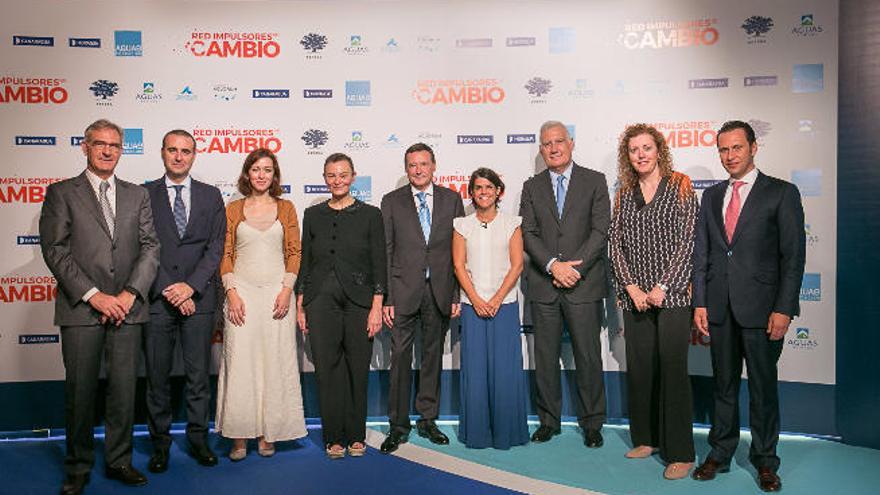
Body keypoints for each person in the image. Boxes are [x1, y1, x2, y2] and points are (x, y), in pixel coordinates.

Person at [39, 119, 160, 495]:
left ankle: (119, 460)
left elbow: (151, 247)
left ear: (121, 150)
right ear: (85, 147)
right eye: (100, 144)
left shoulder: (137, 194)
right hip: (82, 310)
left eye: (115, 145)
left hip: (128, 308)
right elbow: (55, 251)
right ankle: (77, 467)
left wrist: (128, 294)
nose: (108, 151)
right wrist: (95, 295)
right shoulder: (61, 193)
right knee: (80, 392)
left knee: (123, 392)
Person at [691, 120, 805, 492]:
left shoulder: (781, 193)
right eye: (723, 150)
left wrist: (784, 308)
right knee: (722, 387)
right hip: (720, 309)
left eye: (736, 148)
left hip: (763, 311)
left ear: (753, 147)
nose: (729, 156)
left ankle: (766, 461)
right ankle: (720, 452)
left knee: (762, 389)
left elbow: (793, 257)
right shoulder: (710, 197)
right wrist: (701, 303)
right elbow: (704, 253)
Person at [608, 124, 698, 479]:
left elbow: (688, 239)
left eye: (647, 147)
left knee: (673, 370)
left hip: (672, 297)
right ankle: (646, 438)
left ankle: (681, 451)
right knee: (642, 369)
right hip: (635, 299)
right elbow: (615, 243)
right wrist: (631, 287)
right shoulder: (624, 193)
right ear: (627, 156)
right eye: (634, 150)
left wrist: (662, 286)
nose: (641, 154)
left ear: (659, 150)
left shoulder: (680, 185)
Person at [519, 120, 610, 448]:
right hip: (544, 285)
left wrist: (575, 269)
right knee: (544, 357)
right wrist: (553, 266)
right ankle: (548, 420)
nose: (553, 148)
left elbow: (601, 231)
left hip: (583, 286)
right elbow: (528, 232)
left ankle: (592, 423)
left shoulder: (595, 181)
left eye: (559, 141)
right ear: (541, 149)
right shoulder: (531, 187)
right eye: (546, 144)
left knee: (588, 356)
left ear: (571, 143)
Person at [216, 148, 307, 461]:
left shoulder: (287, 208)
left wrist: (286, 290)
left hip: (277, 294)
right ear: (247, 173)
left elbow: (295, 252)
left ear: (274, 175)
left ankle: (268, 433)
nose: (261, 175)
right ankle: (239, 436)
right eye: (256, 169)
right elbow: (225, 254)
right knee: (240, 363)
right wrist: (231, 292)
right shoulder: (233, 208)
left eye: (267, 169)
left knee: (274, 363)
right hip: (240, 294)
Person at [143, 130, 226, 472]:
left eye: (186, 151)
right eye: (173, 150)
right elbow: (141, 244)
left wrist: (190, 287)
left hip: (200, 299)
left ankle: (197, 440)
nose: (179, 157)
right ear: (163, 153)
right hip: (158, 301)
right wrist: (169, 288)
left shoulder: (210, 195)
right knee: (157, 377)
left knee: (197, 377)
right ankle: (159, 445)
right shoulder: (143, 194)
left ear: (195, 155)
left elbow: (216, 246)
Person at [295, 153, 386, 459]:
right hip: (320, 300)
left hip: (360, 301)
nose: (337, 180)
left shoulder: (371, 215)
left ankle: (356, 435)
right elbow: (305, 261)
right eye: (331, 175)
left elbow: (379, 264)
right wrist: (301, 304)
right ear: (325, 178)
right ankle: (334, 437)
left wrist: (377, 305)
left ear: (353, 176)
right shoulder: (313, 214)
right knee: (327, 370)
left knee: (357, 369)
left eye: (343, 175)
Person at [379, 143, 465, 454]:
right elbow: (385, 251)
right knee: (400, 359)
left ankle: (428, 420)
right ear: (406, 169)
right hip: (402, 292)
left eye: (423, 164)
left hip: (439, 291)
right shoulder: (391, 202)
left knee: (431, 359)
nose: (418, 170)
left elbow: (459, 253)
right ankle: (397, 425)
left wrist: (456, 293)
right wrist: (387, 296)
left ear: (433, 166)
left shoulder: (452, 199)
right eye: (412, 165)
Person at [451, 168, 528, 449]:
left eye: (488, 187)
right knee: (476, 369)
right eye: (478, 188)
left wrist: (495, 300)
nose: (483, 192)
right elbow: (459, 265)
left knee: (504, 370)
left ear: (499, 191)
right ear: (471, 193)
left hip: (504, 307)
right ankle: (477, 434)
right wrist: (476, 299)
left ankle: (506, 433)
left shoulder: (512, 223)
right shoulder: (462, 225)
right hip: (472, 307)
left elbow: (517, 264)